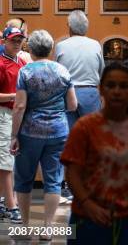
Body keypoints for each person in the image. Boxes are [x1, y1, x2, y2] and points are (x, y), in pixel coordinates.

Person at [61, 63, 128, 244]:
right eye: (110, 85)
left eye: (123, 86)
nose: (116, 91)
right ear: (101, 89)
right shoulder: (84, 127)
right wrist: (87, 204)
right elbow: (72, 173)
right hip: (87, 218)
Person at [10, 30, 77, 239]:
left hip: (29, 132)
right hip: (58, 132)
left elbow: (19, 106)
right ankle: (48, 228)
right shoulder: (63, 71)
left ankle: (26, 226)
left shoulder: (25, 72)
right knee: (53, 181)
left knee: (23, 180)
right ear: (50, 49)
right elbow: (73, 104)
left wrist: (14, 135)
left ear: (31, 48)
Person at [55, 10, 105, 204]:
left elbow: (57, 72)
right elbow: (101, 71)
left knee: (65, 141)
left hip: (67, 94)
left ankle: (66, 186)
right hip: (90, 92)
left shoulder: (60, 46)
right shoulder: (95, 45)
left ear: (69, 27)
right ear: (86, 27)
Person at [0, 27, 27, 224]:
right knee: (6, 162)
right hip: (4, 114)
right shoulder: (1, 63)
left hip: (19, 115)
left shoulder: (23, 62)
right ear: (4, 41)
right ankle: (12, 206)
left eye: (19, 40)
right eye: (13, 40)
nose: (17, 43)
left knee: (12, 161)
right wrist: (14, 96)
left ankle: (4, 202)